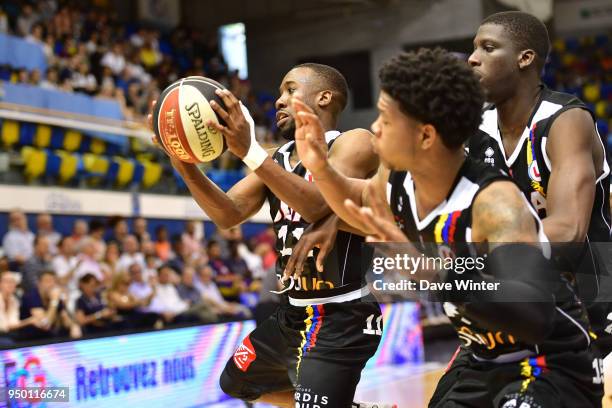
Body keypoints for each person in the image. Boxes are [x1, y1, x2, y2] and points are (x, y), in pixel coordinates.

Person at [290, 48, 602, 407]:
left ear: (425, 136)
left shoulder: (496, 205)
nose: (374, 128)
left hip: (550, 362)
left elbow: (533, 316)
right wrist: (321, 168)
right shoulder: (397, 180)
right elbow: (358, 200)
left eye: (386, 120)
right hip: (480, 359)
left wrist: (439, 276)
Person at [149, 63, 383, 407]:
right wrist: (183, 163)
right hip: (292, 315)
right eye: (278, 93)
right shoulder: (278, 159)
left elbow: (319, 206)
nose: (279, 100)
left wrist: (248, 151)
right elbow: (228, 214)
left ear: (324, 97)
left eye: (290, 90)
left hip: (341, 316)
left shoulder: (354, 142)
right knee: (235, 382)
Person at [466, 11, 612, 381]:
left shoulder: (564, 120)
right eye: (473, 48)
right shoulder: (474, 130)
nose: (472, 58)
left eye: (488, 47)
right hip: (528, 309)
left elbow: (569, 231)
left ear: (525, 58)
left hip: (597, 306)